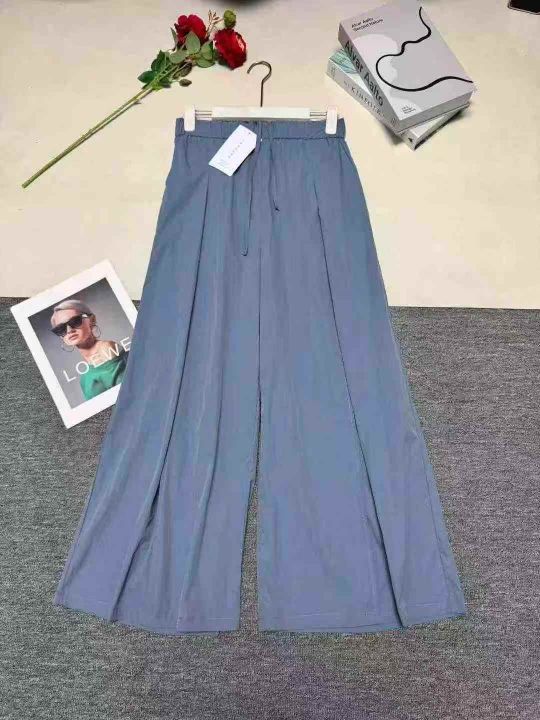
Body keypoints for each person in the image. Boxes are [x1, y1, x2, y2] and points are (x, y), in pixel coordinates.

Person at [50, 298, 129, 401]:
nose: (69, 330)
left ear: (92, 320)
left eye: (75, 321)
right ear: (61, 336)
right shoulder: (83, 378)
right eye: (61, 329)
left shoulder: (106, 349)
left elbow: (127, 394)